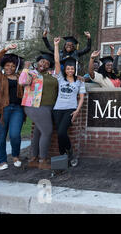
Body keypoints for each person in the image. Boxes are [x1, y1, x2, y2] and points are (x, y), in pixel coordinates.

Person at [19, 51, 58, 170]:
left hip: (48, 107)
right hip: (35, 106)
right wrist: (25, 68)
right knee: (47, 131)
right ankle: (43, 160)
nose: (44, 64)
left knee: (38, 132)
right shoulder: (32, 73)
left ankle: (33, 159)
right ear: (37, 62)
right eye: (42, 61)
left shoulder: (52, 74)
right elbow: (22, 82)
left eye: (47, 63)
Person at [52, 38, 86, 167]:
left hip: (70, 109)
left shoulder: (79, 81)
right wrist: (56, 45)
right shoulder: (60, 78)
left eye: (72, 69)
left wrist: (77, 110)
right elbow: (56, 61)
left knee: (61, 132)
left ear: (74, 69)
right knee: (61, 134)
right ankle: (63, 157)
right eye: (68, 69)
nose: (70, 70)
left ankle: (70, 153)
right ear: (65, 70)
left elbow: (81, 97)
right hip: (57, 109)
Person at [0, 44, 25, 170]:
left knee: (15, 134)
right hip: (2, 109)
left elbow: (31, 77)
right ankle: (2, 160)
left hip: (17, 109)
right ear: (3, 66)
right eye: (7, 65)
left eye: (13, 66)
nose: (10, 67)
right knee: (1, 136)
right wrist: (6, 49)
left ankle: (15, 156)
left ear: (16, 67)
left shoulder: (20, 77)